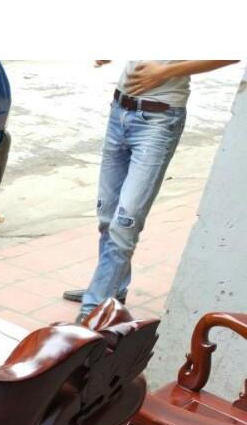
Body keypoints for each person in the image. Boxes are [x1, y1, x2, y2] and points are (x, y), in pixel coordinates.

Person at [65, 60, 238, 322]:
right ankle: (112, 288)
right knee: (107, 216)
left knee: (125, 222)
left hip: (159, 120)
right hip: (120, 111)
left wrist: (164, 72)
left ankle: (94, 307)